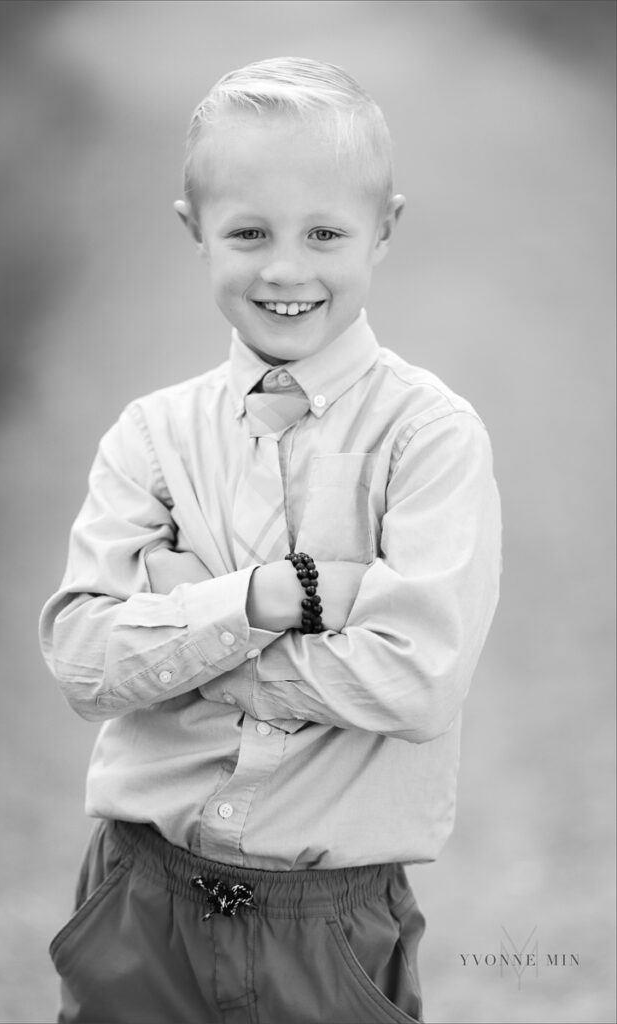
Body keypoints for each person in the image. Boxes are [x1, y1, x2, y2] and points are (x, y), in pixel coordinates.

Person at [39, 56, 501, 1024]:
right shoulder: (152, 438)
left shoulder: (425, 436)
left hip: (324, 924)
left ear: (384, 229)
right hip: (142, 893)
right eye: (247, 231)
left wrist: (188, 632)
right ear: (193, 231)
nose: (285, 269)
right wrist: (265, 597)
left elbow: (413, 681)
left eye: (324, 232)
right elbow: (83, 661)